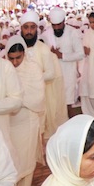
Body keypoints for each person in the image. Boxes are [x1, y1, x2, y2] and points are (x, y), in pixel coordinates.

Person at [4, 36, 45, 186]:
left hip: (28, 121)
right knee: (10, 162)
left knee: (25, 164)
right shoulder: (4, 70)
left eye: (18, 58)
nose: (14, 62)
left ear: (24, 54)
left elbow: (38, 96)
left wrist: (16, 99)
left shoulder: (33, 69)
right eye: (11, 58)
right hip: (8, 123)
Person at [19, 10, 67, 143]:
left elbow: (50, 74)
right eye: (26, 27)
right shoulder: (17, 48)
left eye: (32, 27)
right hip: (22, 98)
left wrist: (32, 79)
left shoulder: (43, 49)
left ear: (37, 29)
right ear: (21, 28)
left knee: (43, 133)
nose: (29, 31)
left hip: (42, 98)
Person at [43, 6, 84, 117]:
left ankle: (72, 126)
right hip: (53, 75)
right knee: (54, 105)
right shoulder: (46, 35)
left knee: (67, 105)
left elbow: (80, 54)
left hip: (68, 74)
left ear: (64, 21)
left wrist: (62, 55)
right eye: (54, 25)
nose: (56, 28)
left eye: (59, 25)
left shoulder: (72, 33)